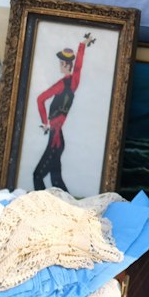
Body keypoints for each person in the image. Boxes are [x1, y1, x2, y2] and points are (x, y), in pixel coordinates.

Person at [32, 36, 95, 192]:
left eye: (61, 63)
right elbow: (79, 67)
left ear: (66, 64)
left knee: (38, 175)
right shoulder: (72, 84)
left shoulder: (61, 85)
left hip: (55, 139)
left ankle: (40, 206)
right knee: (56, 180)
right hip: (57, 139)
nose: (60, 66)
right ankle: (68, 207)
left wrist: (45, 122)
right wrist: (82, 45)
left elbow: (40, 99)